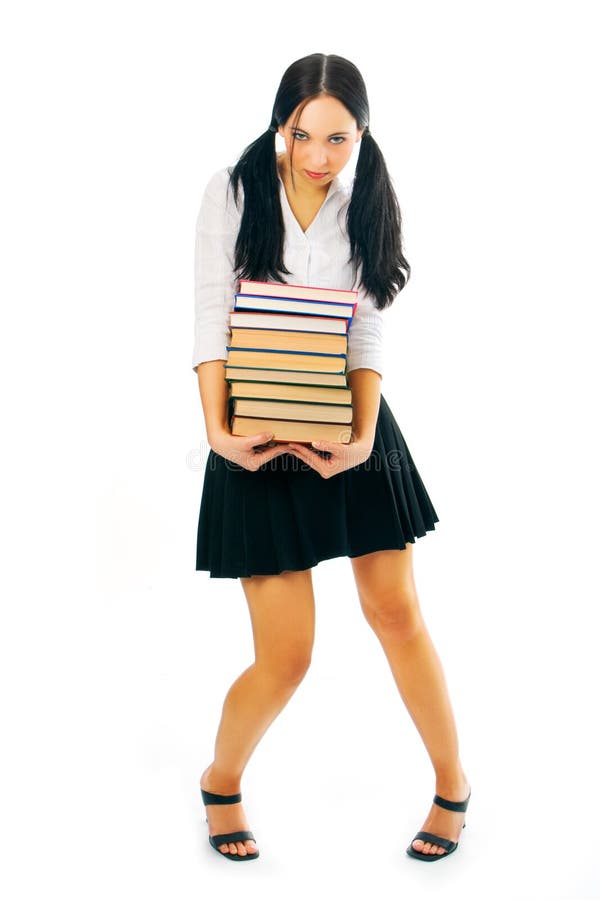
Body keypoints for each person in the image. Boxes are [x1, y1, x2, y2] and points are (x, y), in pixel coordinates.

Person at [192, 53, 471, 863]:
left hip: (353, 419)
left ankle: (453, 785)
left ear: (361, 132)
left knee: (396, 611)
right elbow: (211, 312)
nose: (319, 155)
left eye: (338, 138)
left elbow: (367, 327)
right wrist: (218, 431)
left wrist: (360, 432)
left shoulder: (369, 199)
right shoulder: (233, 189)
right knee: (286, 656)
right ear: (282, 125)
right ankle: (220, 781)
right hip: (254, 427)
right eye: (304, 134)